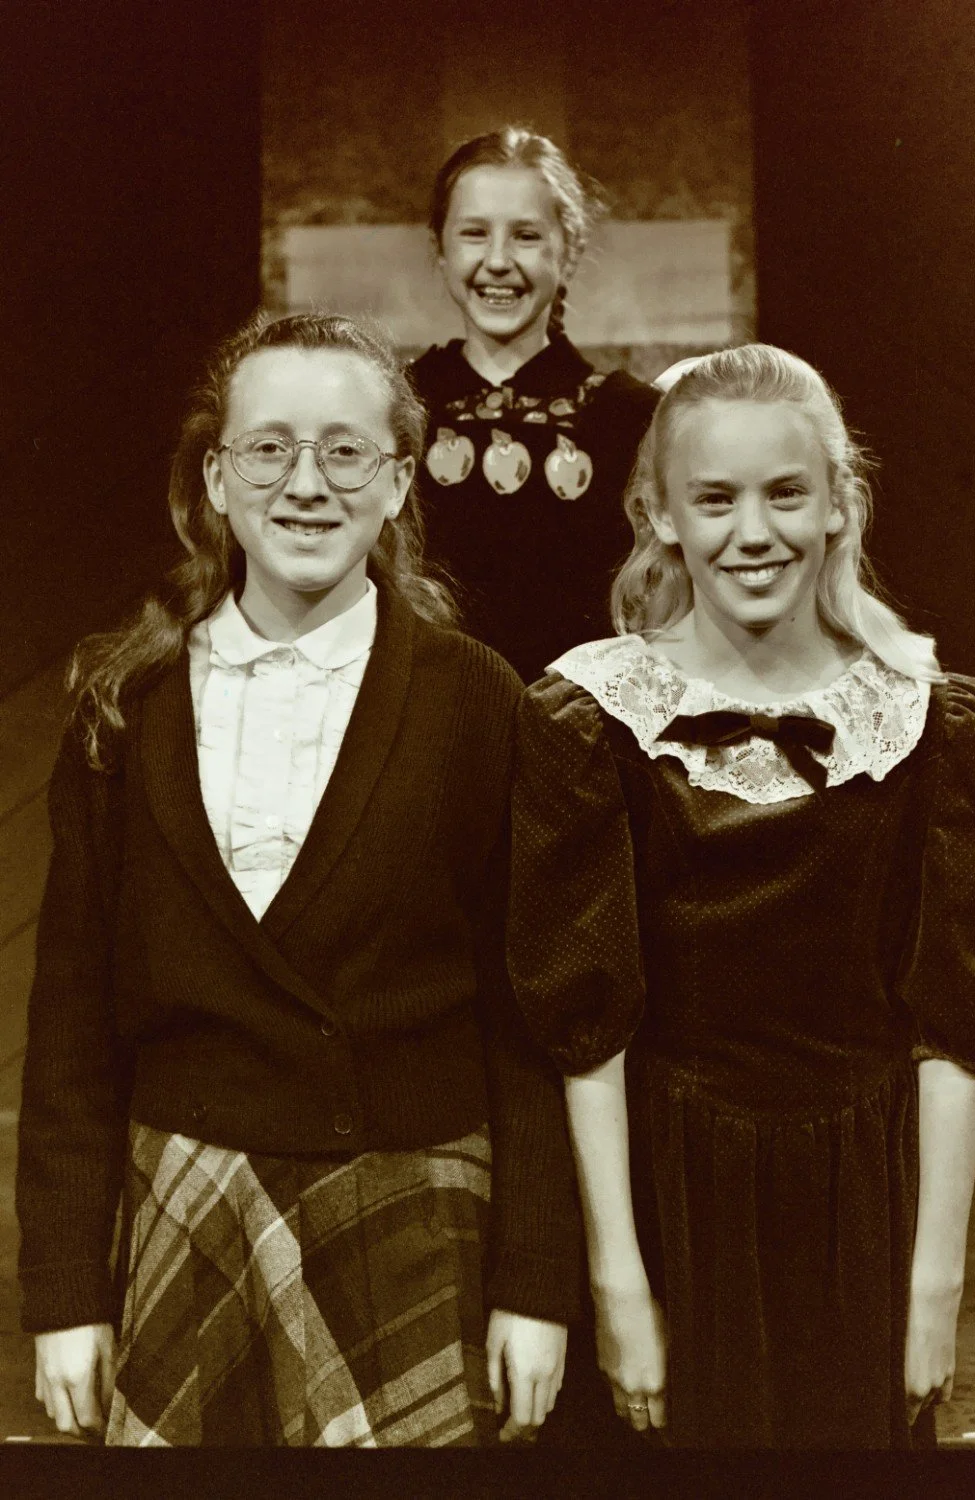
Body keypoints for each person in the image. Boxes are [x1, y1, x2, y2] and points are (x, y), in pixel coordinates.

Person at [15, 310, 580, 1447]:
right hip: (187, 1206)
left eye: (345, 451)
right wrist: (65, 1290)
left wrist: (536, 1281)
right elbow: (71, 1024)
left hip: (414, 1211)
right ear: (215, 479)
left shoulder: (479, 700)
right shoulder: (127, 707)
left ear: (398, 481)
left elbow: (529, 1028)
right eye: (268, 448)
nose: (306, 483)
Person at [506, 344, 975, 1448]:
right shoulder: (589, 719)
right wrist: (618, 1283)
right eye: (714, 500)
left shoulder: (932, 723)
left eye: (786, 494)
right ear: (661, 516)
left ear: (837, 506)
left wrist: (934, 1283)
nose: (753, 532)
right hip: (662, 1191)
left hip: (862, 1204)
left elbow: (955, 1029)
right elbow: (585, 1036)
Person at [408, 126, 661, 686]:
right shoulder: (392, 410)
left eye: (525, 236)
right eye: (474, 233)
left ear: (567, 254)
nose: (497, 261)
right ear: (440, 252)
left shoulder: (636, 420)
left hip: (582, 739)